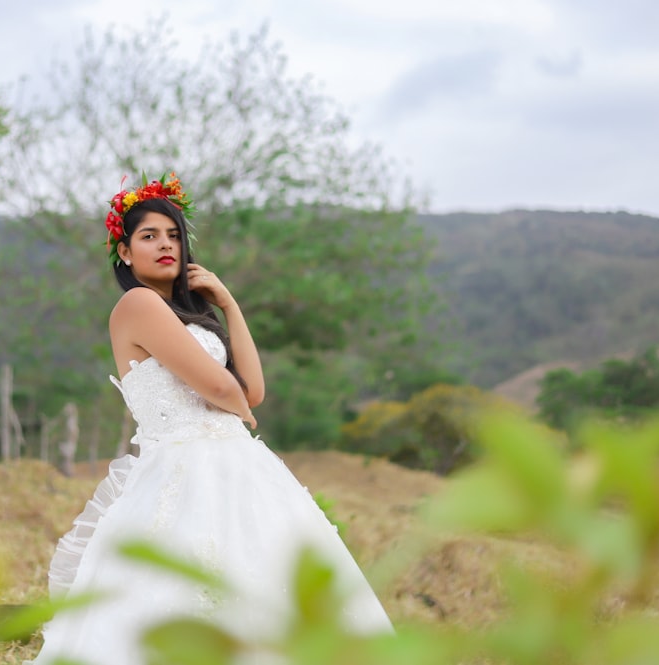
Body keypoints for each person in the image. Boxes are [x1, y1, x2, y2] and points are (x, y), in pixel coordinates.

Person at [29, 173, 392, 665]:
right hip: (184, 466)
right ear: (124, 253)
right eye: (149, 236)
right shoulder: (137, 304)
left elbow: (252, 391)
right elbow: (223, 388)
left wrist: (228, 303)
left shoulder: (189, 312)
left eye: (174, 235)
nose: (166, 245)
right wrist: (235, 406)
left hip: (234, 462)